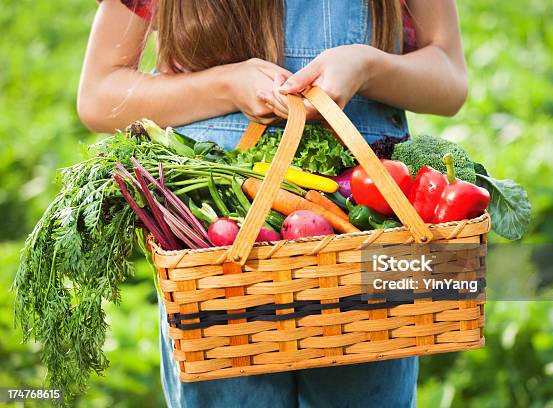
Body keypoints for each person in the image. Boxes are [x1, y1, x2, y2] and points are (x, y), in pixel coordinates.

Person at [78, 1, 468, 406]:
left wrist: (368, 66)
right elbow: (98, 94)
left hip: (363, 247)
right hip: (217, 262)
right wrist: (225, 85)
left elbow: (450, 80)